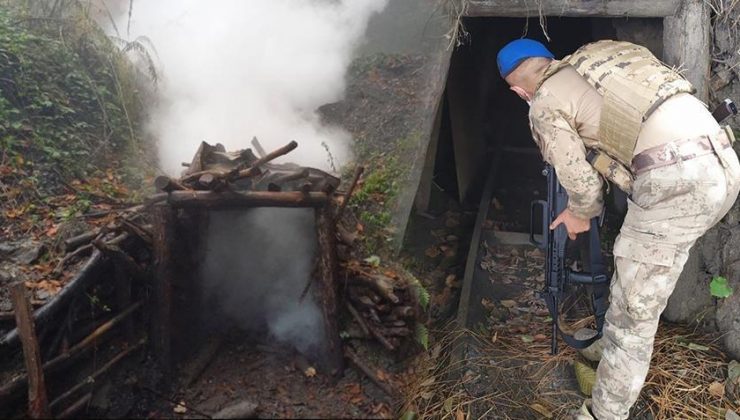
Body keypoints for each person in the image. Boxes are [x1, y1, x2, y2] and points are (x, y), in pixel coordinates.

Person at [496, 38, 740, 419]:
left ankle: (604, 413)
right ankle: (612, 351)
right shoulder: (603, 58)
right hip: (722, 160)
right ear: (548, 58)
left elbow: (581, 182)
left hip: (674, 180)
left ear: (518, 90)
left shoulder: (543, 100)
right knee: (640, 281)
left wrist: (579, 212)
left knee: (633, 318)